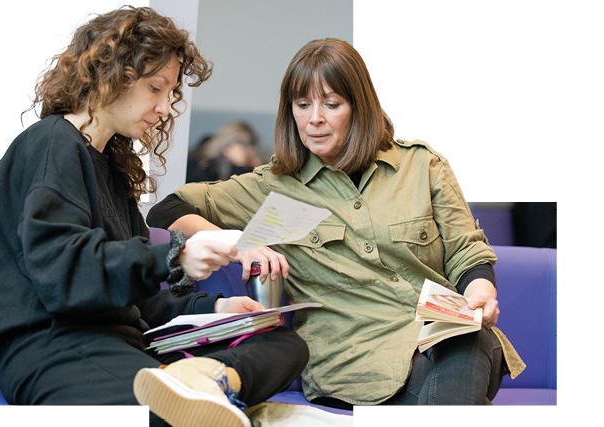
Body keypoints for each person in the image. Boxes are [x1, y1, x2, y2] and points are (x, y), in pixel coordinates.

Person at [0, 7, 308, 427]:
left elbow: (143, 308)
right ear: (110, 74)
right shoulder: (51, 145)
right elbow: (63, 274)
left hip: (121, 345)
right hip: (54, 346)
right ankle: (197, 392)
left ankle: (205, 379)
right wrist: (174, 255)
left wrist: (216, 310)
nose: (166, 107)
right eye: (156, 87)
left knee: (286, 344)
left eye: (171, 93)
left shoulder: (111, 168)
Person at [148, 38, 525, 407]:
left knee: (471, 341)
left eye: (331, 104)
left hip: (444, 338)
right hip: (354, 362)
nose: (314, 119)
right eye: (302, 104)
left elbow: (467, 252)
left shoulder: (422, 166)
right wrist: (238, 243)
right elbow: (168, 208)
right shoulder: (275, 186)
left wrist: (481, 294)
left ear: (359, 106)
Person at [186, 121, 262, 182]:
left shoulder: (249, 165)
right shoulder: (199, 163)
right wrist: (239, 167)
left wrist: (257, 168)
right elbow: (234, 193)